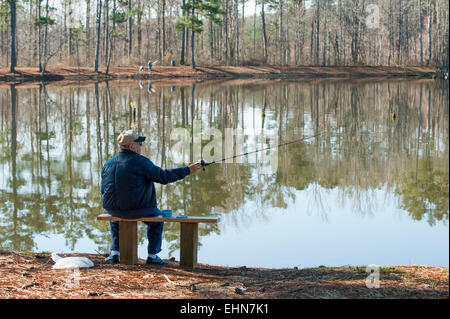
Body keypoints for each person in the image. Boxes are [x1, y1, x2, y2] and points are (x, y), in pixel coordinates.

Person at [101, 130, 201, 265]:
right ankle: (152, 256)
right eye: (140, 143)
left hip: (112, 210)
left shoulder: (108, 163)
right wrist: (188, 170)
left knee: (116, 220)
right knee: (157, 219)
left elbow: (103, 190)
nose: (142, 146)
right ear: (131, 146)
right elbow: (164, 177)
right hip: (136, 209)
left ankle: (114, 253)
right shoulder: (140, 162)